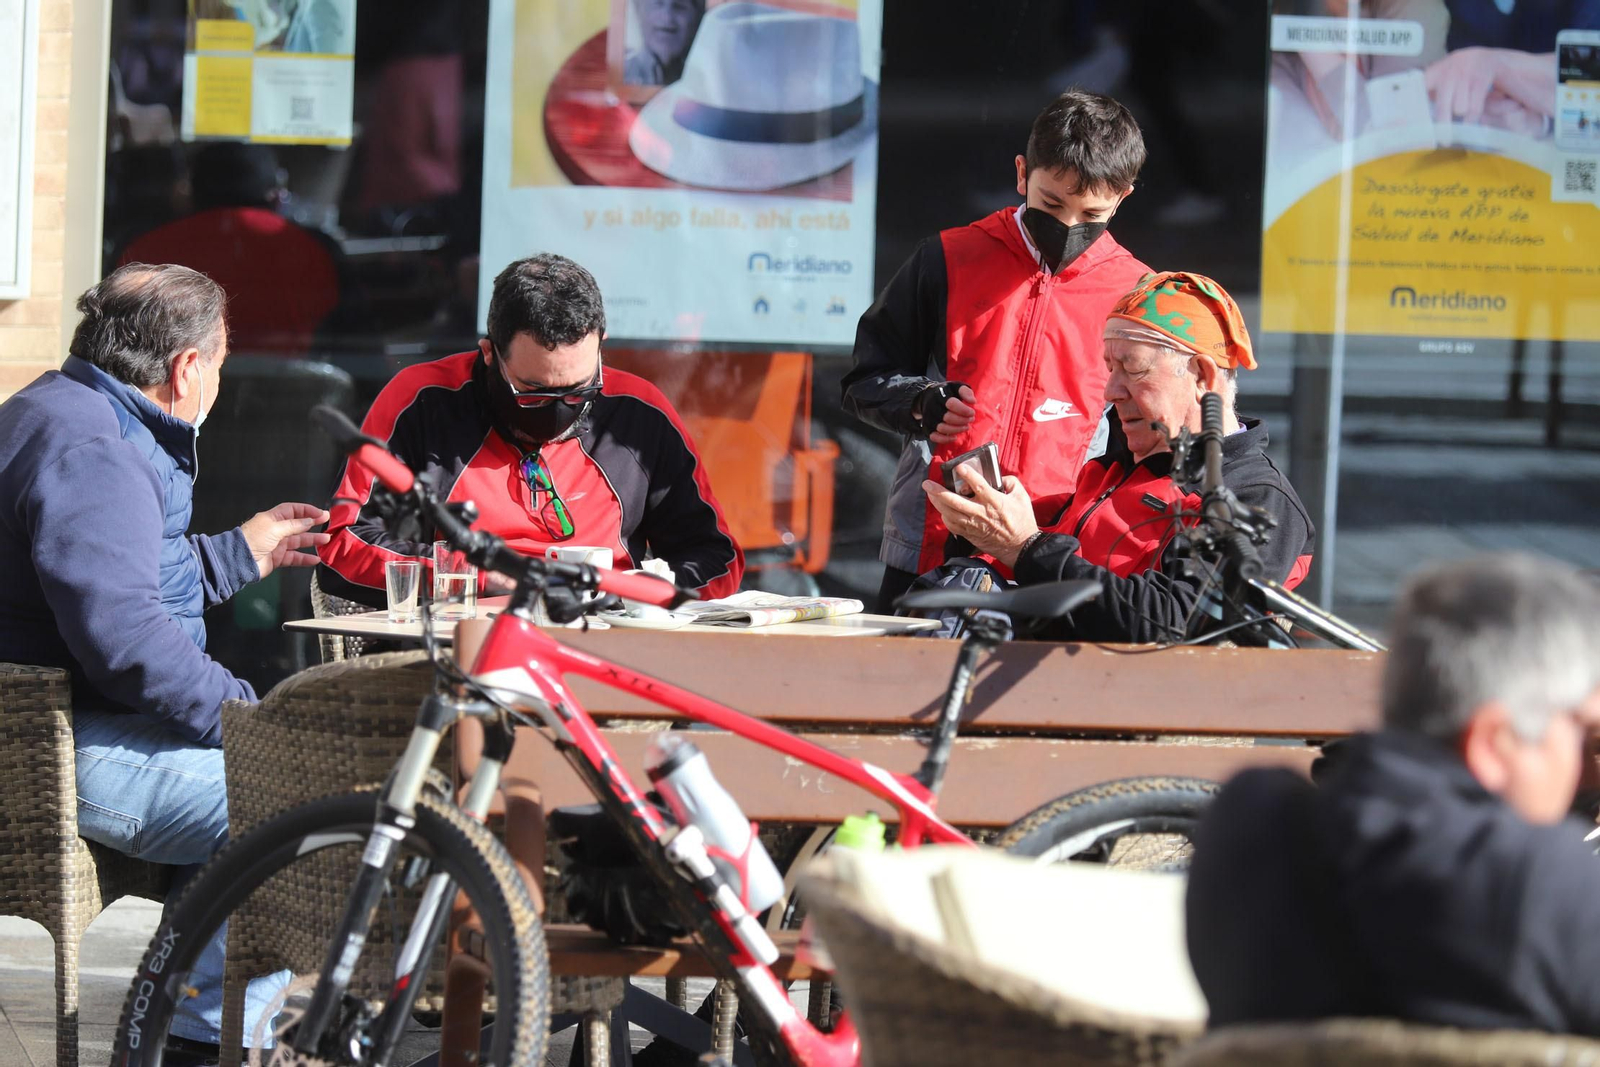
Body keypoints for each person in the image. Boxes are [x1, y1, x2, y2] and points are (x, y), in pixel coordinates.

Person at [0, 264, 328, 1062]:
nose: (218, 380)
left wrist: (230, 558)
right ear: (187, 367)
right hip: (58, 746)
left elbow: (120, 568)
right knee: (293, 801)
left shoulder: (64, 411)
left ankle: (187, 1007)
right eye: (218, 361)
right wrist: (247, 715)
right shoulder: (94, 451)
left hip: (72, 724)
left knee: (280, 782)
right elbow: (126, 643)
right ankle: (194, 1036)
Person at [1185, 553, 1600, 1034]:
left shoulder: (1247, 826)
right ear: (1494, 742)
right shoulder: (1544, 883)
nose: (1577, 765)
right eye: (1575, 733)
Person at [841, 89, 1152, 612]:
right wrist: (921, 403)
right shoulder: (948, 256)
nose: (1069, 227)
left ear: (1124, 196)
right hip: (932, 539)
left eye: (1091, 213)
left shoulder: (1137, 291)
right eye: (1051, 204)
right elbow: (864, 379)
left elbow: (1142, 436)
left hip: (1057, 546)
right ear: (1021, 174)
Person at [318, 253, 743, 606]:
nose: (559, 410)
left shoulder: (638, 414)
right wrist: (486, 578)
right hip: (461, 639)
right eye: (533, 393)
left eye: (580, 392)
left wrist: (633, 597)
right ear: (489, 353)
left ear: (601, 347)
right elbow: (342, 544)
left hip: (607, 640)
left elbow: (714, 557)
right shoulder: (424, 402)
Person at [919, 271, 1314, 644]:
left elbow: (1174, 623)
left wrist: (1024, 546)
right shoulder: (1111, 469)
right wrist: (979, 529)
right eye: (1109, 368)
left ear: (1202, 377)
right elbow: (1028, 572)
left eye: (1133, 369)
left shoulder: (1254, 497)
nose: (1111, 391)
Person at [118, 142, 343, 357]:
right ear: (275, 195)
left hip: (174, 387)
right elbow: (342, 328)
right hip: (296, 389)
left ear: (190, 192)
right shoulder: (312, 248)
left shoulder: (146, 247)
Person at [624, 0, 706, 86]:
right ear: (639, 11)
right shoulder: (621, 74)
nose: (667, 17)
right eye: (657, 4)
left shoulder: (707, 79)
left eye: (679, 6)